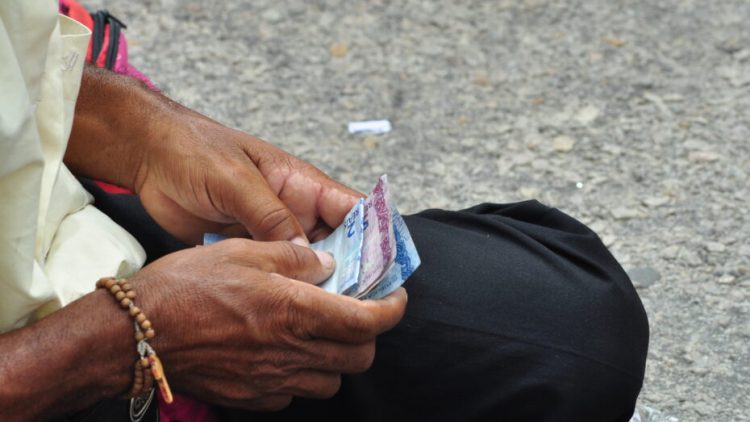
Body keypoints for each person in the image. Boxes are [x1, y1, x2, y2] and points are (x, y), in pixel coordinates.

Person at [0, 2, 649, 421]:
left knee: (561, 333)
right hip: (40, 370)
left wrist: (137, 131)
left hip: (54, 219)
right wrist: (119, 342)